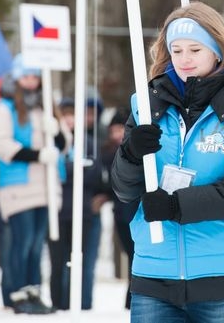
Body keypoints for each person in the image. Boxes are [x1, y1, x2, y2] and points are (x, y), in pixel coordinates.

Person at [111, 2, 224, 322]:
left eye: (194, 50)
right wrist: (131, 154)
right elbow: (123, 189)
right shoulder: (147, 106)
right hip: (154, 275)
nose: (184, 60)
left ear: (217, 51)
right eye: (176, 50)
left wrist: (176, 206)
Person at [0, 53, 66, 315]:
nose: (31, 82)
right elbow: (2, 145)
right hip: (19, 186)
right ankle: (18, 292)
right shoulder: (6, 107)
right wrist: (35, 155)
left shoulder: (46, 106)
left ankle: (34, 290)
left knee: (37, 245)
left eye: (35, 77)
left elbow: (63, 145)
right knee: (21, 243)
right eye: (26, 76)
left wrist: (56, 130)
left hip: (45, 186)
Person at [48, 94, 110, 311]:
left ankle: (84, 303)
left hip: (85, 211)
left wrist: (66, 168)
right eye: (65, 116)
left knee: (85, 262)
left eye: (73, 115)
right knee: (59, 263)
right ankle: (59, 303)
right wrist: (73, 168)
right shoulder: (52, 141)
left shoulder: (88, 142)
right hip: (58, 210)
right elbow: (52, 174)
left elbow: (93, 174)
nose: (70, 120)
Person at [102, 107, 135, 310]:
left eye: (120, 129)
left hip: (136, 211)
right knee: (130, 253)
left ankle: (131, 297)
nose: (117, 135)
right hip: (121, 213)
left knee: (136, 255)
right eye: (113, 131)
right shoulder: (107, 153)